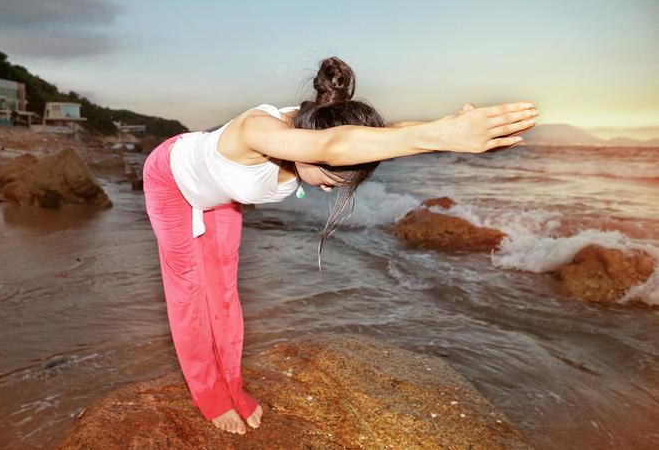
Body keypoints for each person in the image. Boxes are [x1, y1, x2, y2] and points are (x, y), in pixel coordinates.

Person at [142, 56, 538, 435]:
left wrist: (453, 133)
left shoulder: (319, 126)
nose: (333, 187)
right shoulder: (256, 130)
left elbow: (386, 132)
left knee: (224, 292)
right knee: (189, 293)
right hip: (173, 182)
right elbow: (332, 147)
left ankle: (232, 383)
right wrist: (437, 134)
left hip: (219, 192)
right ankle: (211, 396)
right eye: (333, 179)